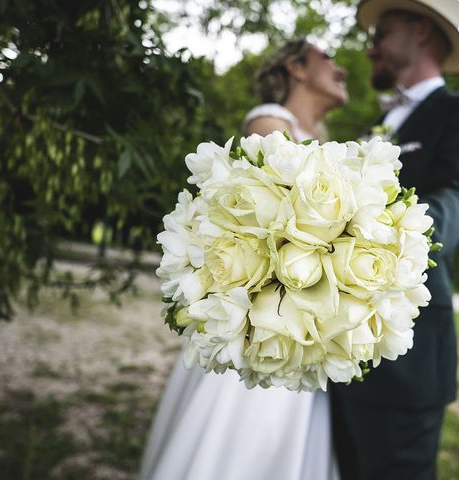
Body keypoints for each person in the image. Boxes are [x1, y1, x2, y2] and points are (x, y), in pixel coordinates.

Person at [139, 39, 347, 480]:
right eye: (328, 58)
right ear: (296, 68)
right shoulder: (270, 122)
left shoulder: (326, 143)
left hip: (307, 318)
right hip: (261, 314)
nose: (341, 69)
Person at [330, 1, 459, 479]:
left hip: (406, 362)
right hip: (336, 352)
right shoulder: (375, 130)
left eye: (381, 33)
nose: (370, 49)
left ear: (420, 30)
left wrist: (375, 232)